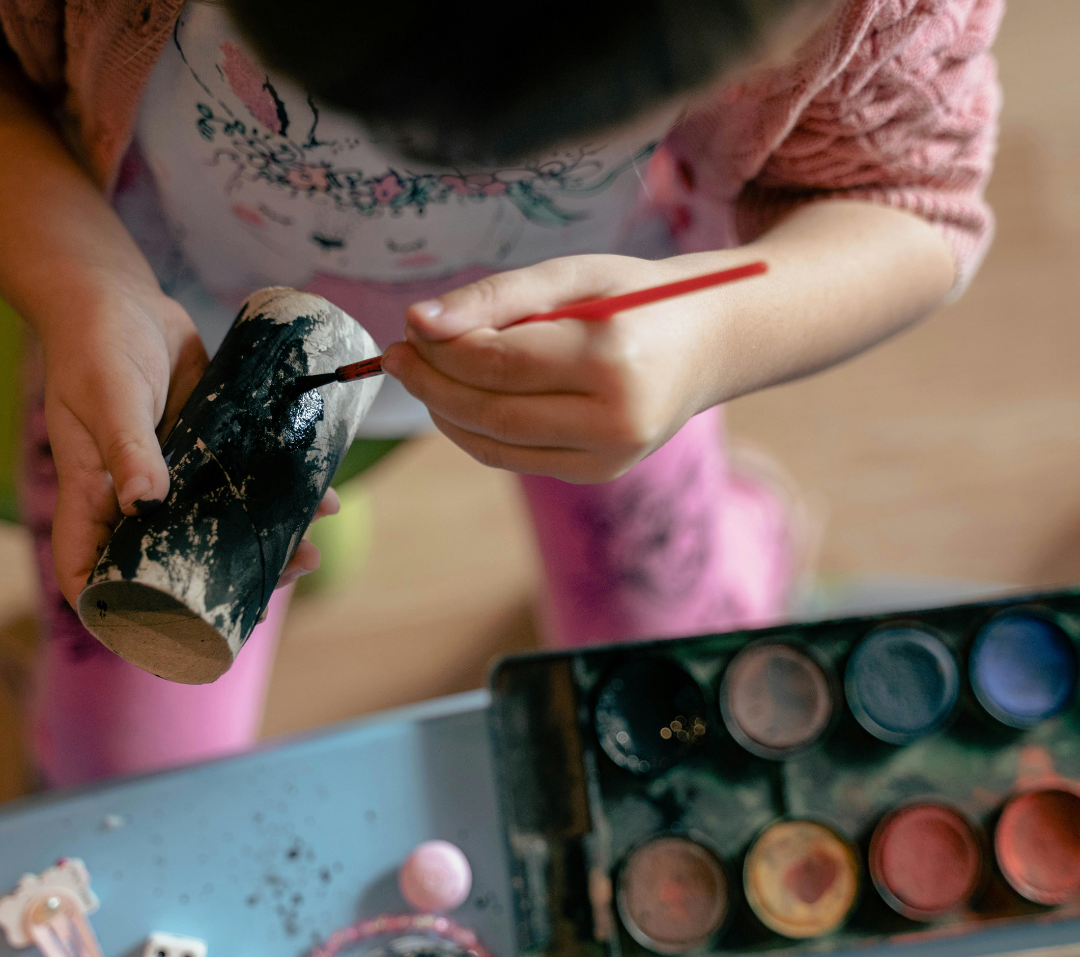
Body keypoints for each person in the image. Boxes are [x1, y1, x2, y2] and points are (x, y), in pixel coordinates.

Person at [0, 0, 1001, 785]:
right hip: (160, 326)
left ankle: (739, 529)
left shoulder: (873, 12)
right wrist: (81, 281)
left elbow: (915, 208)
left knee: (667, 673)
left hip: (612, 342)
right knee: (120, 776)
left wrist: (704, 344)